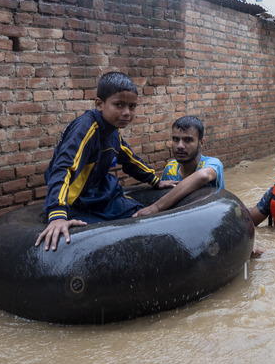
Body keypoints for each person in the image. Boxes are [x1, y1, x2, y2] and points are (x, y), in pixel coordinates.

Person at [36, 72, 178, 251]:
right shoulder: (86, 128)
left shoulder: (113, 131)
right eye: (119, 105)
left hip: (102, 195)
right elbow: (63, 167)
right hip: (78, 201)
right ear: (99, 104)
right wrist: (57, 214)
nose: (127, 113)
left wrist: (155, 181)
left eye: (132, 106)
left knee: (140, 214)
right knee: (95, 238)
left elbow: (129, 158)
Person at [132, 115, 226, 217]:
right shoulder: (170, 168)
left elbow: (203, 176)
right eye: (176, 139)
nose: (180, 146)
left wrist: (156, 208)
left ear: (201, 142)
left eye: (188, 140)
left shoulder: (213, 163)